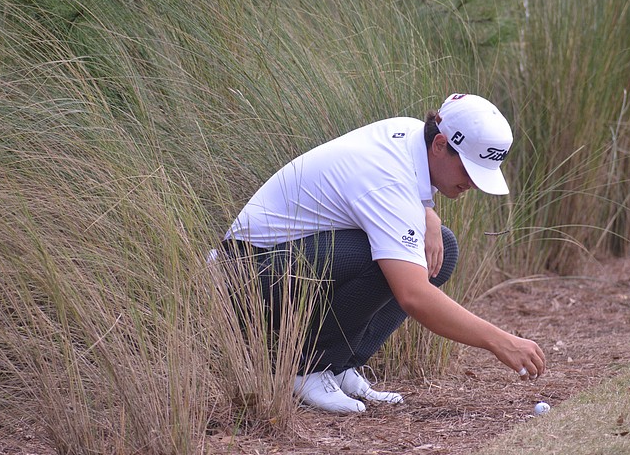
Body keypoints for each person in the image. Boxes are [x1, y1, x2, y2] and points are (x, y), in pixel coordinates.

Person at [221, 93, 545, 413]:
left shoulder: (411, 133)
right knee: (389, 265)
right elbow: (413, 296)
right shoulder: (388, 180)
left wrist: (429, 214)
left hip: (278, 261)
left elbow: (391, 194)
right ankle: (308, 369)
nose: (473, 184)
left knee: (437, 250)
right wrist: (499, 340)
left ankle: (340, 365)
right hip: (244, 277)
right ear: (440, 145)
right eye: (469, 171)